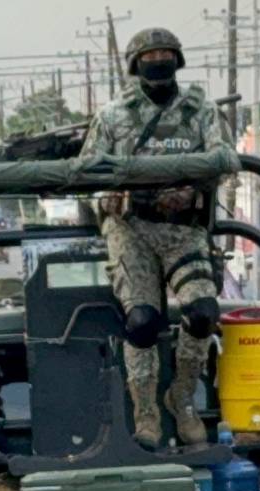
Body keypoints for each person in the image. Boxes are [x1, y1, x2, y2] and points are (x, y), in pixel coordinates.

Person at [81, 26, 233, 449]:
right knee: (143, 321)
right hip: (133, 229)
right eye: (150, 56)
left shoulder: (200, 110)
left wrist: (195, 183)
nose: (159, 61)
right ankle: (146, 412)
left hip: (184, 229)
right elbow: (87, 171)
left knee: (203, 312)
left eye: (166, 53)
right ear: (135, 64)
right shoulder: (113, 115)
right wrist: (112, 193)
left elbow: (224, 158)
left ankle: (181, 396)